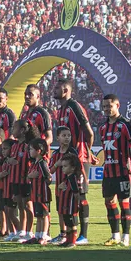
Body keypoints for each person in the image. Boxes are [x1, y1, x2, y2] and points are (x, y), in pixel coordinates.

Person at [53, 79, 93, 243]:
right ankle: (66, 234)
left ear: (65, 90)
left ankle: (83, 235)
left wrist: (87, 151)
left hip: (79, 158)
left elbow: (89, 132)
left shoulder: (74, 107)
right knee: (65, 194)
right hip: (67, 159)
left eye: (57, 88)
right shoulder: (61, 110)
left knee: (79, 195)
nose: (54, 90)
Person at [99, 94, 131, 247]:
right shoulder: (103, 127)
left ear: (117, 105)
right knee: (109, 202)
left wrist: (130, 162)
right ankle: (115, 235)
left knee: (124, 203)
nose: (107, 109)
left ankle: (126, 236)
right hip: (108, 172)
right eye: (104, 107)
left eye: (109, 106)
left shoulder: (125, 125)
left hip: (123, 172)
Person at [25, 138, 53, 245]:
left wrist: (42, 183)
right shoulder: (34, 163)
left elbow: (48, 178)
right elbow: (28, 177)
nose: (30, 151)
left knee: (44, 215)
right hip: (35, 194)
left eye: (31, 149)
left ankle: (44, 236)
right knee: (39, 216)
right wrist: (30, 176)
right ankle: (37, 236)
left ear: (39, 151)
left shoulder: (42, 163)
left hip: (43, 194)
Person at [57, 153, 84, 248]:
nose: (63, 168)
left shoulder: (73, 178)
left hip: (71, 206)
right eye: (62, 166)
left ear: (72, 168)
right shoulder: (68, 177)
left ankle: (72, 241)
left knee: (72, 223)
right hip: (65, 205)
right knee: (67, 223)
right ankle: (68, 241)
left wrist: (78, 204)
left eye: (65, 166)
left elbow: (76, 193)